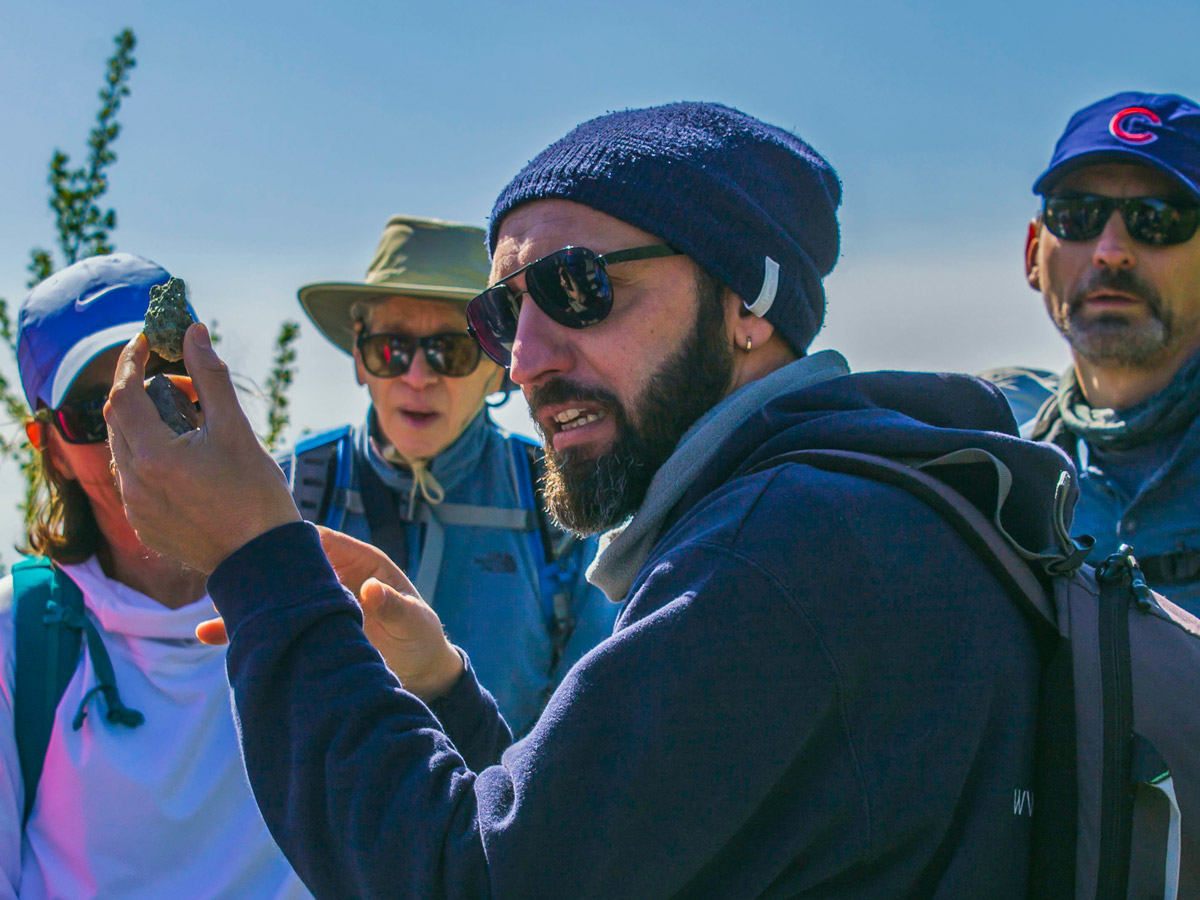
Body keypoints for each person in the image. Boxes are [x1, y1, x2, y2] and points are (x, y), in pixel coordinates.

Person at [106, 103, 1077, 898]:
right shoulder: (858, 511)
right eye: (502, 313)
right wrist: (442, 687)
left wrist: (258, 564)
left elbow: (467, 884)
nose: (522, 359)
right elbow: (593, 849)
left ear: (747, 302)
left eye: (575, 289)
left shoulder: (773, 556)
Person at [0, 253, 311, 899]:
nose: (134, 435)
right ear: (48, 447)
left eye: (161, 388)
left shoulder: (311, 602)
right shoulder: (16, 637)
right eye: (94, 413)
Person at [286, 215, 617, 734]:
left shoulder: (563, 508)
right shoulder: (287, 494)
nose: (417, 377)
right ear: (359, 357)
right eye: (390, 350)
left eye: (451, 351)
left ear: (498, 365)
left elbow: (591, 726)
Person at [982, 91, 1200, 612]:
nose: (1111, 251)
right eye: (1078, 215)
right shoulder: (985, 452)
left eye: (1158, 217)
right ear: (1034, 253)